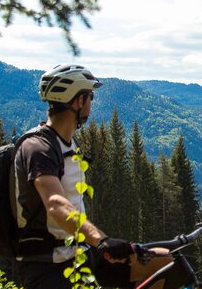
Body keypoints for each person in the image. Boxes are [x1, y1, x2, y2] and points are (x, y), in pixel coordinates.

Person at [12, 64, 170, 289]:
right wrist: (101, 240)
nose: (91, 103)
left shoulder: (67, 144)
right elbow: (56, 204)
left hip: (81, 254)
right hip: (48, 265)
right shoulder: (38, 147)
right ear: (78, 101)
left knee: (163, 261)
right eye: (90, 97)